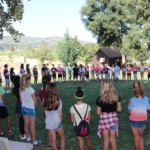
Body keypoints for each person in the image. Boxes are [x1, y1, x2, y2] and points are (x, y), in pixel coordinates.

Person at [96, 79, 122, 150]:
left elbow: (98, 113)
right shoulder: (117, 96)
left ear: (103, 86)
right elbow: (119, 109)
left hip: (104, 120)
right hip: (113, 119)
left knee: (106, 141)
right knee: (113, 140)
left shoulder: (100, 98)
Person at [128, 81, 150, 150]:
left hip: (133, 121)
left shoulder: (131, 100)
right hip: (143, 121)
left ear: (134, 89)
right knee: (141, 138)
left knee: (136, 139)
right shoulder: (147, 99)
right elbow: (148, 110)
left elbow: (129, 112)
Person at [20, 74, 40, 145]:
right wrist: (34, 106)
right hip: (30, 109)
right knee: (32, 125)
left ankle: (28, 138)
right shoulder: (31, 89)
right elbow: (35, 101)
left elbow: (21, 99)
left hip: (23, 108)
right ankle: (34, 141)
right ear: (28, 80)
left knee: (26, 123)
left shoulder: (21, 88)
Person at [44, 83, 65, 150]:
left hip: (49, 123)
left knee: (53, 140)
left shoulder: (45, 100)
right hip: (57, 122)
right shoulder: (58, 101)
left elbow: (45, 112)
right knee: (62, 138)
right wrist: (60, 122)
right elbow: (60, 115)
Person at [12, 75, 25, 140]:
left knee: (21, 120)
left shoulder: (14, 89)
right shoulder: (22, 88)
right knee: (24, 120)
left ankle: (22, 134)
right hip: (23, 104)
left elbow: (15, 98)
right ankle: (23, 134)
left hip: (19, 104)